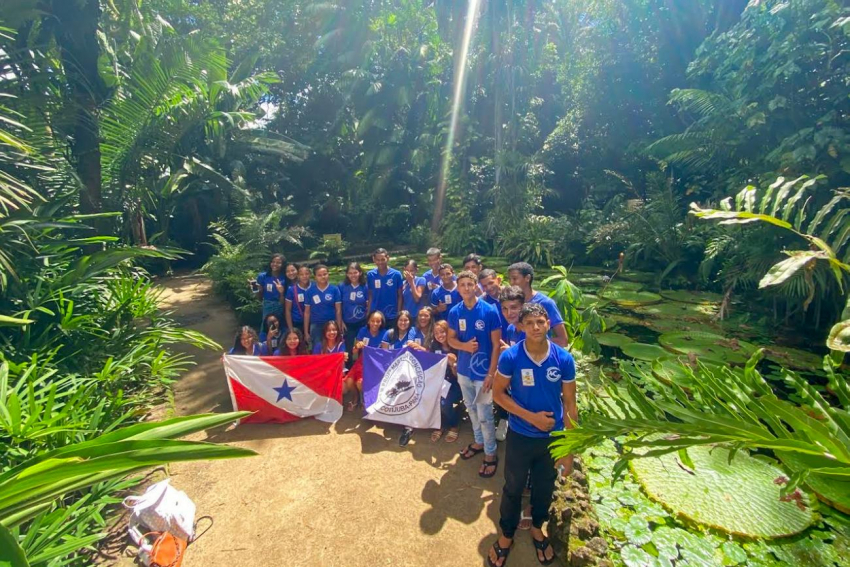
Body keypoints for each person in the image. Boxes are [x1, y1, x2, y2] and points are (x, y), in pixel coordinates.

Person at [487, 303, 577, 567]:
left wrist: (568, 450)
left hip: (551, 439)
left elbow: (571, 405)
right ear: (521, 327)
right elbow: (498, 394)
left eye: (540, 322)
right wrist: (531, 418)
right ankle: (506, 535)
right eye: (530, 323)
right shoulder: (511, 357)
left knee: (544, 487)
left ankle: (538, 527)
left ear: (548, 323)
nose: (536, 328)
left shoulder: (563, 359)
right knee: (512, 487)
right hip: (521, 435)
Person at [447, 271, 502, 478]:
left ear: (475, 286)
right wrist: (464, 346)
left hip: (483, 374)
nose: (467, 288)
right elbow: (451, 340)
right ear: (458, 288)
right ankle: (479, 442)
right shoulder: (454, 312)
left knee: (486, 414)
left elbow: (497, 345)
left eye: (470, 284)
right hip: (463, 371)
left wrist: (491, 374)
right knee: (471, 409)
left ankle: (491, 453)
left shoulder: (489, 311)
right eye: (463, 285)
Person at [380, 310, 425, 446]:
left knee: (409, 391)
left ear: (410, 322)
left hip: (411, 371)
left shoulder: (414, 333)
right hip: (392, 371)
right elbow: (384, 354)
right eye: (401, 320)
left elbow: (421, 353)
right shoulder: (389, 334)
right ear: (397, 321)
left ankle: (408, 427)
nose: (403, 322)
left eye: (406, 320)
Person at [506, 262, 568, 347]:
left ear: (527, 278)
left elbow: (563, 340)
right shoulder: (511, 303)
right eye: (510, 279)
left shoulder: (546, 303)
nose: (511, 283)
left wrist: (531, 345)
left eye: (515, 278)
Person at [427, 320, 461, 443]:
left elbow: (460, 377)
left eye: (442, 332)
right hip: (439, 382)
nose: (439, 335)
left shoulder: (457, 346)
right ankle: (440, 424)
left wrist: (454, 365)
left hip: (456, 383)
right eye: (436, 333)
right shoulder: (434, 346)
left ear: (448, 332)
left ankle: (454, 425)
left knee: (444, 403)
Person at [313, 321, 355, 411]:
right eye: (329, 330)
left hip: (337, 375)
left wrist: (344, 358)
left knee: (344, 388)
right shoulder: (319, 346)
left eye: (334, 330)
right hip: (323, 376)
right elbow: (315, 364)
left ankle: (336, 401)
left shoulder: (341, 344)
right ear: (324, 333)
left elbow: (342, 364)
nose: (332, 332)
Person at [304, 264, 343, 348]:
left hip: (331, 325)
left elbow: (338, 310)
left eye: (325, 274)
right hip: (316, 325)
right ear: (315, 277)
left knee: (332, 347)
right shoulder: (309, 291)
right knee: (318, 348)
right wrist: (306, 331)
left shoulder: (334, 289)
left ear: (328, 274)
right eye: (319, 275)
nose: (323, 277)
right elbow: (307, 313)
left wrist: (339, 326)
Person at [367, 248, 403, 328]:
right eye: (378, 260)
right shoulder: (370, 275)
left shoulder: (396, 274)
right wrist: (368, 313)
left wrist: (398, 313)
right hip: (376, 315)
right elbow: (370, 296)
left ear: (388, 258)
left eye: (383, 259)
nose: (380, 262)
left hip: (392, 315)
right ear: (374, 259)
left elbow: (400, 295)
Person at [340, 262, 368, 361]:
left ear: (360, 273)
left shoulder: (365, 286)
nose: (353, 275)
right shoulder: (342, 287)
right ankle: (348, 370)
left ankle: (362, 369)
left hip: (362, 322)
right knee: (348, 348)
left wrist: (367, 321)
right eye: (350, 273)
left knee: (362, 347)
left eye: (355, 272)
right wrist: (341, 321)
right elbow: (339, 306)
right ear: (347, 274)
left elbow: (368, 305)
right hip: (347, 324)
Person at [253, 253, 286, 332]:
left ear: (282, 264)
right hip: (267, 305)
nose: (275, 264)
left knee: (281, 327)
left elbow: (285, 298)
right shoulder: (262, 276)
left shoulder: (284, 277)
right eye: (273, 262)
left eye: (278, 262)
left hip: (281, 305)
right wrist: (255, 288)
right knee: (266, 327)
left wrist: (281, 292)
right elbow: (259, 298)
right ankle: (265, 343)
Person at [285, 265, 312, 335]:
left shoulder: (314, 287)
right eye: (301, 274)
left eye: (306, 274)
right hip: (297, 322)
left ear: (310, 274)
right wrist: (291, 329)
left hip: (313, 321)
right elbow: (288, 310)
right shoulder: (292, 290)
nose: (304, 276)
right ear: (298, 276)